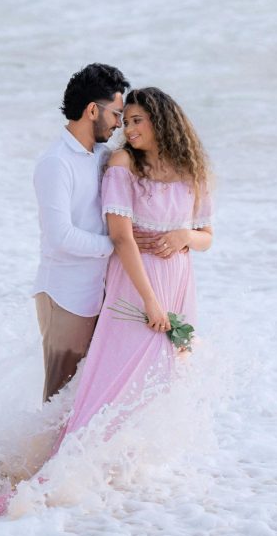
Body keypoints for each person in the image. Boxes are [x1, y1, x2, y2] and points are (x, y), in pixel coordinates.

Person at [60, 87, 213, 446]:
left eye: (137, 120)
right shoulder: (122, 165)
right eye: (125, 121)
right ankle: (80, 457)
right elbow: (122, 238)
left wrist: (184, 236)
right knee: (119, 372)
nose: (128, 130)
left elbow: (207, 237)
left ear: (162, 121)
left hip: (178, 281)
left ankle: (133, 468)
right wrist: (151, 301)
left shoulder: (192, 169)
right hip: (136, 281)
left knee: (165, 373)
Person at [32, 63, 129, 402]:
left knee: (85, 398)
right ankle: (33, 458)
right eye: (116, 113)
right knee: (58, 400)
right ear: (92, 110)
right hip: (64, 295)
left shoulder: (103, 156)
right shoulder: (55, 163)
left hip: (96, 293)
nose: (119, 123)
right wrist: (118, 246)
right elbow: (60, 236)